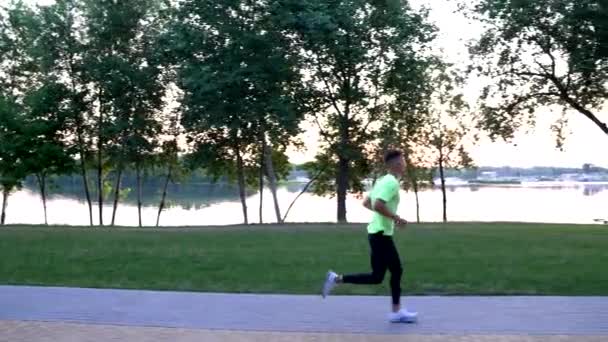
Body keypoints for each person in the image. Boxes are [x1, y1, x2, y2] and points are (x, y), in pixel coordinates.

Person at [321, 149, 418, 323]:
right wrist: (396, 218)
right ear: (396, 164)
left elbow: (367, 203)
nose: (405, 165)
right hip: (381, 234)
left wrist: (385, 215)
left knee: (377, 277)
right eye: (403, 162)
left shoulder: (382, 181)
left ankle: (336, 278)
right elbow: (378, 204)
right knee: (396, 270)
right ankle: (396, 312)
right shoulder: (391, 183)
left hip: (376, 232)